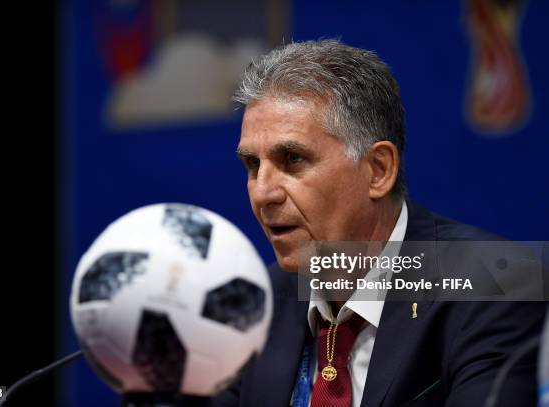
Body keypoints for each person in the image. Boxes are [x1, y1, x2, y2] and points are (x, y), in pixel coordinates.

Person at [212, 39, 546, 407]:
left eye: (292, 159)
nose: (262, 193)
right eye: (252, 166)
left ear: (378, 171)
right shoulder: (259, 304)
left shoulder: (496, 288)